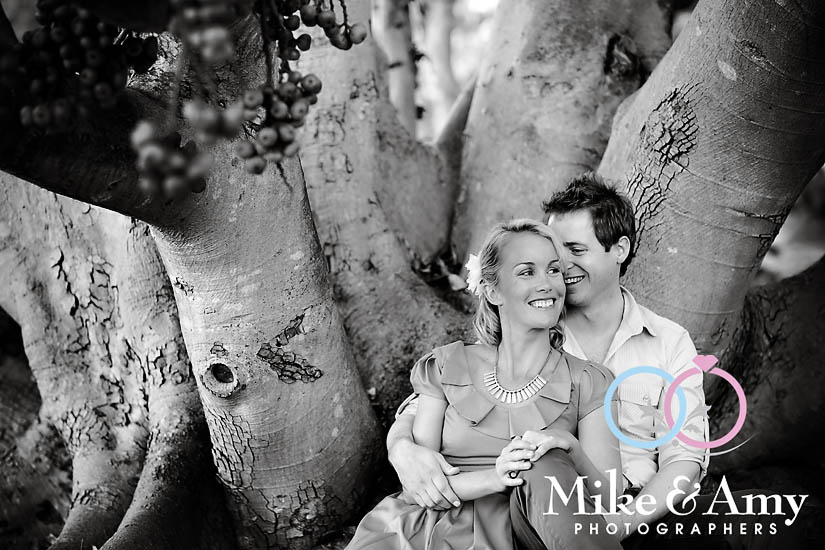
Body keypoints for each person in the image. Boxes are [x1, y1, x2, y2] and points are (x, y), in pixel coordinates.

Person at [387, 174, 714, 547]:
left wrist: (625, 520)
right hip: (544, 503)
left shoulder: (669, 342)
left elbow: (685, 459)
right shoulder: (532, 320)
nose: (562, 264)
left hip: (640, 508)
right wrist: (402, 449)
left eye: (575, 249)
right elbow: (444, 399)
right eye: (555, 253)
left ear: (619, 249)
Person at [345, 219, 622, 550]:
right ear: (493, 291)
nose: (547, 284)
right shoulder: (447, 365)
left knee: (546, 463)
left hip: (529, 529)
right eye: (527, 272)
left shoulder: (589, 380)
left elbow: (609, 498)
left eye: (553, 271)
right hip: (431, 528)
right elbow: (421, 484)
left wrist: (570, 447)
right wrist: (496, 477)